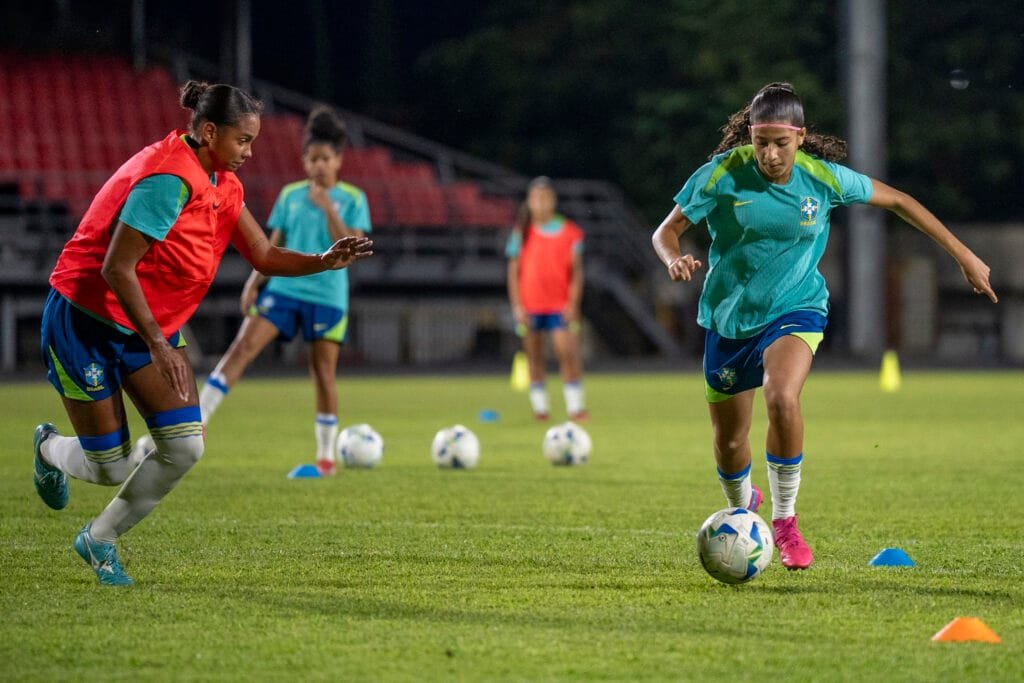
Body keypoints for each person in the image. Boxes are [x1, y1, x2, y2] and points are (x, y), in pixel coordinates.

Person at [33, 81, 373, 586]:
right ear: (210, 131)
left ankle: (99, 539)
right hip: (85, 319)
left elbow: (263, 255)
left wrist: (324, 260)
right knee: (107, 466)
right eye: (242, 140)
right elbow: (117, 268)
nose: (250, 152)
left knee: (186, 449)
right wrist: (156, 342)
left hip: (146, 325)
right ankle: (47, 449)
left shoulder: (223, 184)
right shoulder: (168, 178)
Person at [651, 82, 996, 571]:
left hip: (797, 307)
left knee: (782, 395)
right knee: (730, 442)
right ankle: (741, 504)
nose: (770, 154)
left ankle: (785, 522)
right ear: (749, 136)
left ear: (800, 137)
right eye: (761, 142)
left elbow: (899, 201)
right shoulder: (721, 175)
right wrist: (672, 259)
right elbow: (666, 231)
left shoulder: (822, 178)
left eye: (781, 143)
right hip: (729, 318)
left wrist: (964, 256)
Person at [191, 106, 371, 477]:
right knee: (243, 347)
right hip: (286, 289)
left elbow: (350, 247)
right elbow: (272, 243)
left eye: (325, 158)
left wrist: (327, 209)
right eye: (312, 159)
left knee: (322, 373)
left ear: (338, 161)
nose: (319, 165)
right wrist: (253, 282)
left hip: (327, 296)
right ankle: (198, 423)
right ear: (304, 162)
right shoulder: (290, 196)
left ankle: (325, 457)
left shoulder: (353, 198)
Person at [506, 176, 587, 422]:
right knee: (534, 358)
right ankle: (540, 410)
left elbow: (576, 273)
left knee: (567, 354)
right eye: (536, 198)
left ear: (553, 200)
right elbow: (513, 272)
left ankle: (576, 408)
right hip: (530, 306)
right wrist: (517, 306)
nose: (540, 203)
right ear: (529, 202)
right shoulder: (521, 233)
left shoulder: (571, 233)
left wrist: (573, 303)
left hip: (559, 305)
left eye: (545, 197)